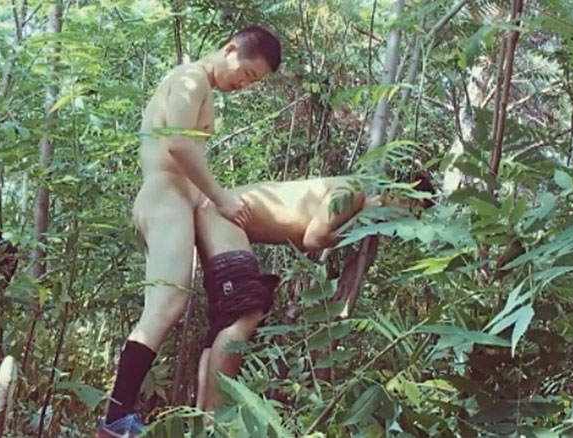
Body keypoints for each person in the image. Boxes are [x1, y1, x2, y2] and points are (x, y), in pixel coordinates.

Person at [94, 26, 282, 438]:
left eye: (253, 83)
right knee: (165, 306)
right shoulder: (191, 78)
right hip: (165, 198)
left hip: (171, 201)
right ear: (230, 50)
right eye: (247, 74)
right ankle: (114, 420)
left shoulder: (200, 86)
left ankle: (118, 418)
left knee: (163, 307)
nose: (244, 85)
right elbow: (178, 143)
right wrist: (221, 198)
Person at [193, 174, 434, 412]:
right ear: (398, 193)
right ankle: (215, 416)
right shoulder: (354, 190)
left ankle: (202, 417)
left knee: (222, 324)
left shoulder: (355, 197)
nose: (407, 221)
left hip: (215, 217)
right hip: (223, 217)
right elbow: (313, 238)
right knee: (244, 316)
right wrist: (358, 225)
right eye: (411, 210)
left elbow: (303, 237)